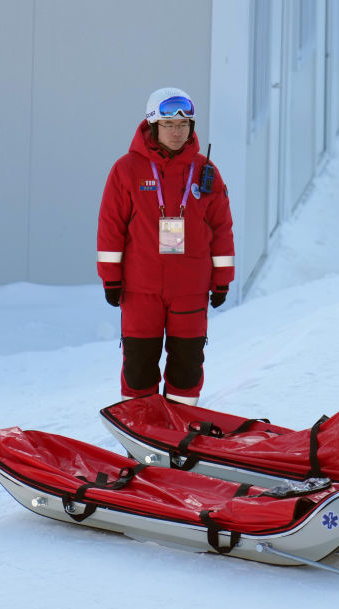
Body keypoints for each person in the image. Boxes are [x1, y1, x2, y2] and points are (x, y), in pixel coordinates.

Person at [97, 87, 235, 405]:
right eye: (169, 125)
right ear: (153, 126)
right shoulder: (126, 170)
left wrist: (222, 280)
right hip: (140, 290)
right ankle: (141, 436)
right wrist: (111, 277)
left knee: (186, 369)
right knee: (139, 368)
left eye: (183, 125)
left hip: (190, 289)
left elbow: (222, 229)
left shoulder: (205, 172)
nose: (177, 132)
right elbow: (110, 228)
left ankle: (177, 437)